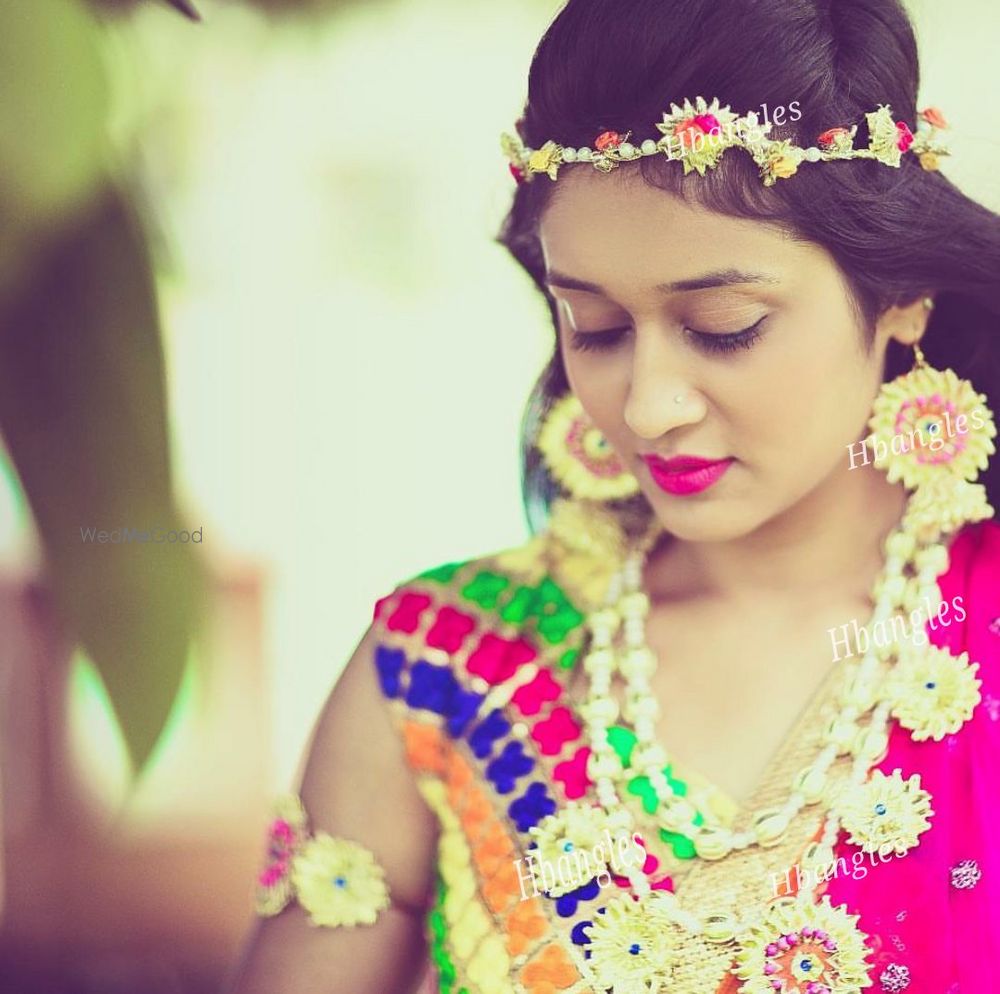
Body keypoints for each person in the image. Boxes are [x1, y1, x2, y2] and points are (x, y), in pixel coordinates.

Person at [225, 1, 1000, 991]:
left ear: (900, 296)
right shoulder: (447, 666)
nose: (648, 405)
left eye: (722, 326)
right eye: (592, 325)